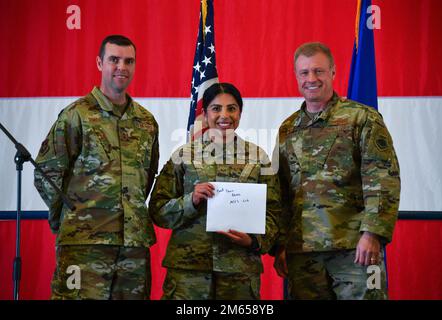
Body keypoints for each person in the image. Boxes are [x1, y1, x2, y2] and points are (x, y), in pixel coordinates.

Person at [34, 35, 159, 299]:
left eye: (128, 61)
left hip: (133, 248)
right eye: (114, 59)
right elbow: (47, 173)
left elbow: (146, 178)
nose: (121, 67)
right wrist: (72, 216)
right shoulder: (76, 115)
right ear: (100, 62)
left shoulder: (147, 122)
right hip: (84, 245)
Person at [273, 42, 400, 299]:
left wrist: (372, 233)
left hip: (354, 249)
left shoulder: (362, 118)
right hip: (303, 253)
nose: (311, 79)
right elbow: (282, 192)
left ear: (333, 72)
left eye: (318, 71)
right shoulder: (287, 129)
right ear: (296, 76)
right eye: (304, 72)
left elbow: (383, 178)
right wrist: (280, 245)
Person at [149, 82, 280, 300]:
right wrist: (190, 200)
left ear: (240, 112)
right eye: (216, 108)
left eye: (232, 108)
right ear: (205, 113)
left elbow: (275, 212)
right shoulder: (183, 156)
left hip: (239, 273)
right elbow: (158, 209)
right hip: (188, 275)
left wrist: (254, 241)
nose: (224, 115)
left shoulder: (259, 158)